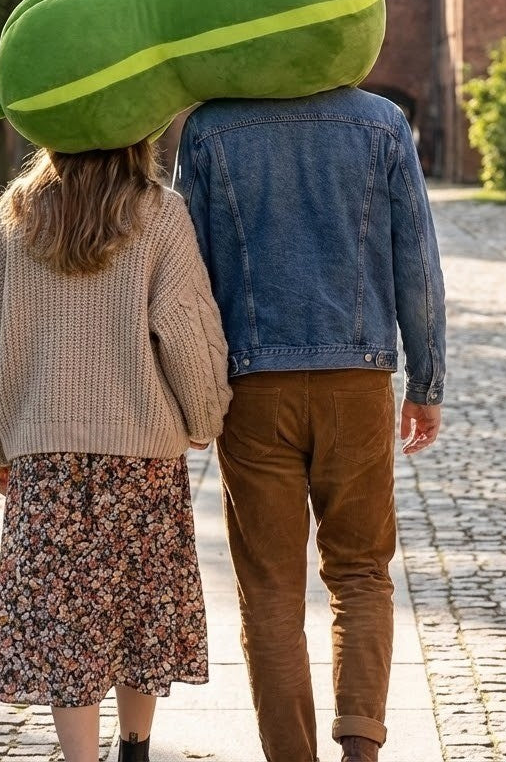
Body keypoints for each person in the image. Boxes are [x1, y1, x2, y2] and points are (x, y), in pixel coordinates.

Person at [173, 86, 446, 762]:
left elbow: (186, 278)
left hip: (253, 389)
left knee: (268, 590)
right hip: (357, 383)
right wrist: (426, 382)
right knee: (360, 572)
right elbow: (417, 259)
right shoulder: (382, 122)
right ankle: (362, 748)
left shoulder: (209, 130)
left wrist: (195, 393)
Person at [0, 140, 232, 762]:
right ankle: (134, 749)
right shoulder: (159, 212)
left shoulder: (18, 212)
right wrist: (205, 415)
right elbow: (186, 327)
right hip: (142, 459)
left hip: (45, 459)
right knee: (143, 609)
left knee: (67, 623)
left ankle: (81, 758)